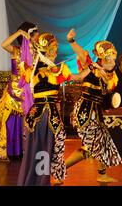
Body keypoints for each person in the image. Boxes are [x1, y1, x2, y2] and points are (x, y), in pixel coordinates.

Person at [17, 33, 86, 186]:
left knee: (38, 150)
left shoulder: (37, 66)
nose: (55, 53)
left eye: (55, 49)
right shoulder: (50, 69)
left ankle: (37, 181)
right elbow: (78, 77)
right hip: (46, 115)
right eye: (52, 49)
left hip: (37, 114)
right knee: (44, 149)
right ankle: (41, 182)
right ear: (45, 50)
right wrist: (90, 67)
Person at [64, 29, 122, 183]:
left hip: (96, 112)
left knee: (102, 142)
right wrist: (71, 41)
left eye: (114, 60)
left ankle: (102, 174)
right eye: (110, 60)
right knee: (90, 147)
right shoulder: (92, 67)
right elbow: (81, 53)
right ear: (102, 59)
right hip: (85, 111)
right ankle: (60, 169)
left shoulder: (110, 75)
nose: (113, 63)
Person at [0, 22, 39, 161]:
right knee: (9, 121)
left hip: (29, 92)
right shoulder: (16, 51)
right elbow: (3, 45)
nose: (38, 35)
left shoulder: (38, 53)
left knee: (27, 122)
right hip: (13, 93)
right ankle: (9, 151)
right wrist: (19, 32)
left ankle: (25, 150)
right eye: (36, 33)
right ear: (29, 35)